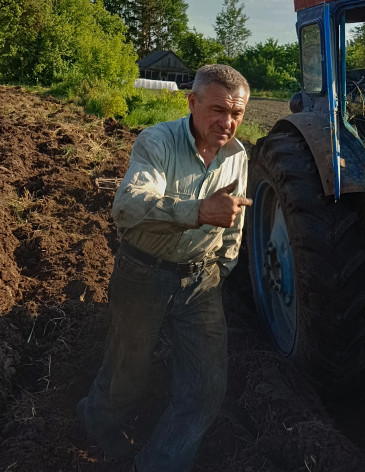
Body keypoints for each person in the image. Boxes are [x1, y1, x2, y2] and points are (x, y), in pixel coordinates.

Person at [77, 64, 252, 472]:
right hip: (144, 273)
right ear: (192, 102)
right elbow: (126, 207)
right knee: (128, 374)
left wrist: (223, 265)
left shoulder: (238, 156)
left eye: (237, 114)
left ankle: (159, 463)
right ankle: (96, 420)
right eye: (217, 110)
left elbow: (235, 220)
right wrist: (198, 211)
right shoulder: (156, 142)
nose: (227, 123)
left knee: (206, 389)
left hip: (201, 281)